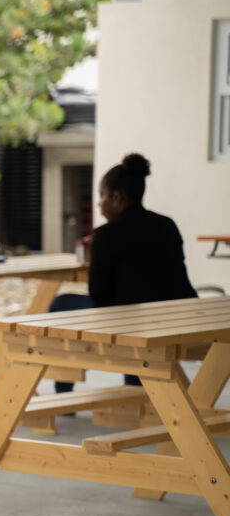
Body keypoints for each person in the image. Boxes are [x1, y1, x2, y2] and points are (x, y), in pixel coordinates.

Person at [50, 152, 196, 392]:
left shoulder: (106, 234)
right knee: (131, 311)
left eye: (101, 195)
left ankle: (63, 395)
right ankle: (136, 386)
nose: (99, 203)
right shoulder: (166, 225)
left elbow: (99, 294)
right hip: (177, 317)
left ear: (116, 197)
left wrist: (96, 254)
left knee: (60, 305)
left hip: (132, 323)